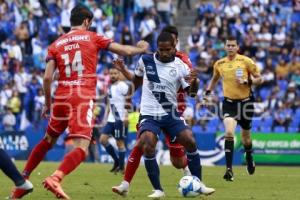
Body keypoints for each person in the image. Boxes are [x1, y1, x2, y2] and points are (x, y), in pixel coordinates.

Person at [11, 4, 149, 199]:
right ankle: (56, 178)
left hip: (61, 96)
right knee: (82, 148)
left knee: (48, 140)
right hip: (82, 96)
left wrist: (48, 104)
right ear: (86, 21)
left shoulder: (56, 43)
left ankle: (21, 182)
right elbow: (124, 51)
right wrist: (140, 48)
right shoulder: (93, 37)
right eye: (90, 23)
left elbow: (48, 78)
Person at [113, 32, 215, 198]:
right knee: (146, 142)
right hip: (149, 114)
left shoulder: (180, 65)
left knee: (189, 139)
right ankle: (158, 189)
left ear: (174, 48)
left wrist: (195, 82)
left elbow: (191, 93)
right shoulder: (145, 60)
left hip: (170, 114)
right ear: (157, 48)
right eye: (161, 49)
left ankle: (199, 183)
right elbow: (137, 80)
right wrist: (129, 97)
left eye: (168, 49)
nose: (164, 53)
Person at [204, 36, 263, 181]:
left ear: (237, 47)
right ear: (225, 47)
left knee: (246, 138)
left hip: (246, 102)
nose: (230, 48)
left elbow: (259, 79)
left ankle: (249, 154)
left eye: (233, 45)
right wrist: (207, 94)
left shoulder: (246, 61)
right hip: (229, 103)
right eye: (228, 45)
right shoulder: (219, 63)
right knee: (229, 132)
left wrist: (247, 81)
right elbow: (214, 79)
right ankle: (229, 170)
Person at [99, 67, 129, 174]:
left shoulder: (123, 86)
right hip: (111, 119)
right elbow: (109, 103)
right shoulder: (110, 87)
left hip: (120, 119)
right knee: (102, 139)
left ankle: (121, 167)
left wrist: (126, 115)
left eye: (115, 73)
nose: (113, 75)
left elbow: (128, 101)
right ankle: (116, 161)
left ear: (119, 74)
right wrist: (105, 117)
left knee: (119, 143)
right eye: (111, 73)